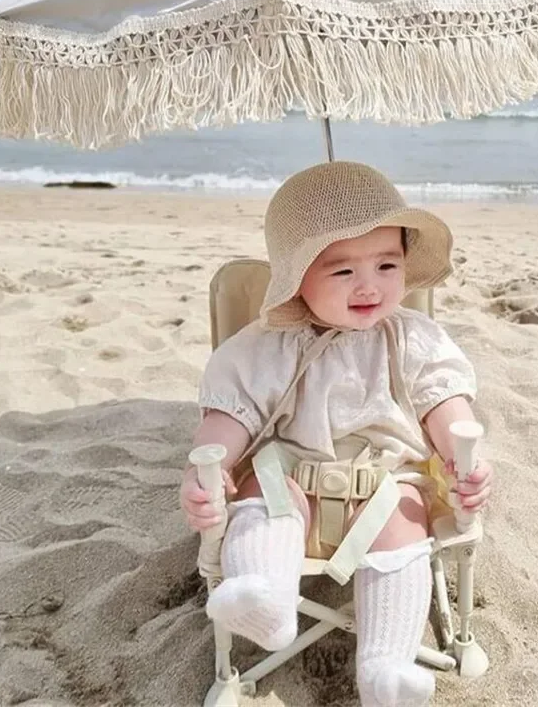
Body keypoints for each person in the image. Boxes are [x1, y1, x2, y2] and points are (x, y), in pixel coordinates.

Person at [180, 161, 492, 707]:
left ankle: (385, 668)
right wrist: (204, 474)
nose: (369, 284)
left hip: (384, 487)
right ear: (296, 279)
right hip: (289, 480)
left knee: (404, 523)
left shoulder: (411, 338)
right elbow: (228, 420)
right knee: (261, 499)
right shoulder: (265, 348)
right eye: (342, 271)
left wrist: (464, 456)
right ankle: (267, 600)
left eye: (387, 264)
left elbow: (445, 403)